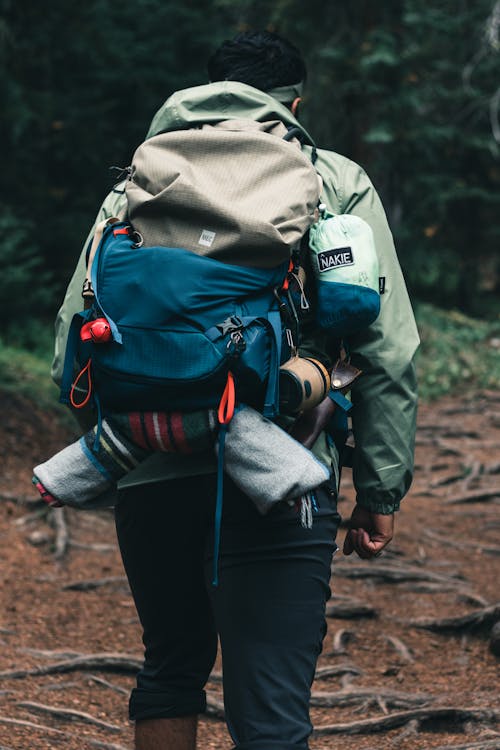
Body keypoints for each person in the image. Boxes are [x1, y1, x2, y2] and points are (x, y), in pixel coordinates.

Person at [51, 31, 419, 750]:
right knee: (272, 710)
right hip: (281, 469)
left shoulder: (137, 184)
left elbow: (73, 334)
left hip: (147, 463)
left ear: (208, 92)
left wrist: (133, 426)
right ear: (294, 99)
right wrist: (381, 492)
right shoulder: (333, 178)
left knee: (169, 670)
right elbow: (388, 346)